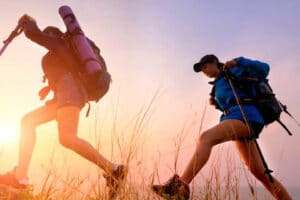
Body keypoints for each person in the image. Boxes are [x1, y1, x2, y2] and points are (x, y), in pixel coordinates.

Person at [0, 15, 127, 198]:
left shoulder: (59, 43)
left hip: (70, 91)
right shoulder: (60, 54)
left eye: (48, 34)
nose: (46, 38)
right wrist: (49, 89)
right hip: (66, 93)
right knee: (28, 121)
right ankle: (20, 177)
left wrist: (29, 22)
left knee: (67, 137)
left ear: (55, 34)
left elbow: (34, 34)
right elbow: (62, 75)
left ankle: (114, 170)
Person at [151, 54, 292, 200]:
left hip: (246, 117)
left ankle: (180, 187)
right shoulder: (216, 86)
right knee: (261, 174)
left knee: (206, 137)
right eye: (201, 69)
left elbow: (265, 69)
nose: (204, 71)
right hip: (236, 119)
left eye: (205, 66)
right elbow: (232, 99)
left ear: (214, 62)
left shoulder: (233, 70)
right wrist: (218, 104)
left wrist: (239, 61)